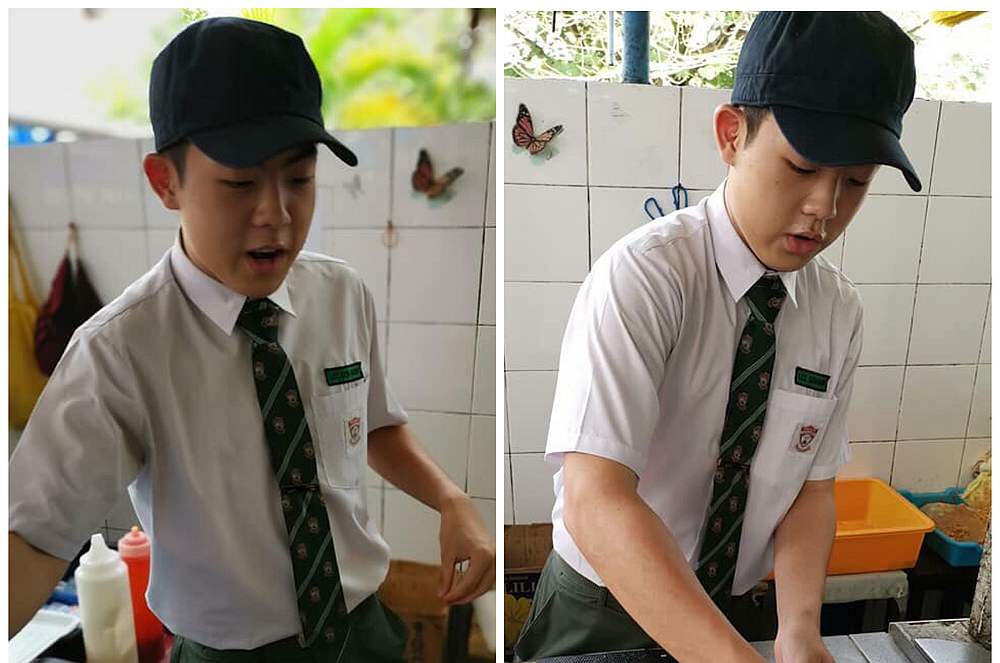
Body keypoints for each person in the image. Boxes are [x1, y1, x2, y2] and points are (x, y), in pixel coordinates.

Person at [9, 17, 494, 661]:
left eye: (299, 178)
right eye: (240, 183)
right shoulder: (119, 351)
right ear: (165, 182)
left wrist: (452, 501)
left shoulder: (340, 294)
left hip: (362, 632)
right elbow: (31, 539)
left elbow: (373, 425)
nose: (277, 214)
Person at [514, 11, 921, 663]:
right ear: (732, 135)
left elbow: (810, 489)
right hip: (605, 606)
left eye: (855, 182)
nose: (824, 207)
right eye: (802, 166)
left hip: (734, 604)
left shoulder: (837, 310)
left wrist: (798, 629)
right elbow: (597, 498)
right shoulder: (645, 277)